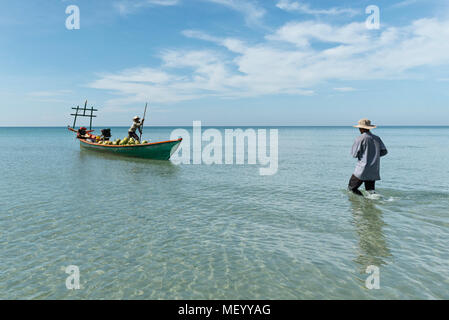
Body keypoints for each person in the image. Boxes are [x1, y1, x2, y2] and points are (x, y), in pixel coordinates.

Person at [348, 119, 388, 196]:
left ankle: (361, 202)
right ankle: (370, 205)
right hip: (373, 169)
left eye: (359, 128)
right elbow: (384, 151)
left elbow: (354, 154)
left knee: (351, 189)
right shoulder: (377, 138)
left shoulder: (360, 138)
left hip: (361, 169)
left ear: (361, 128)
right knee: (370, 192)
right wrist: (374, 155)